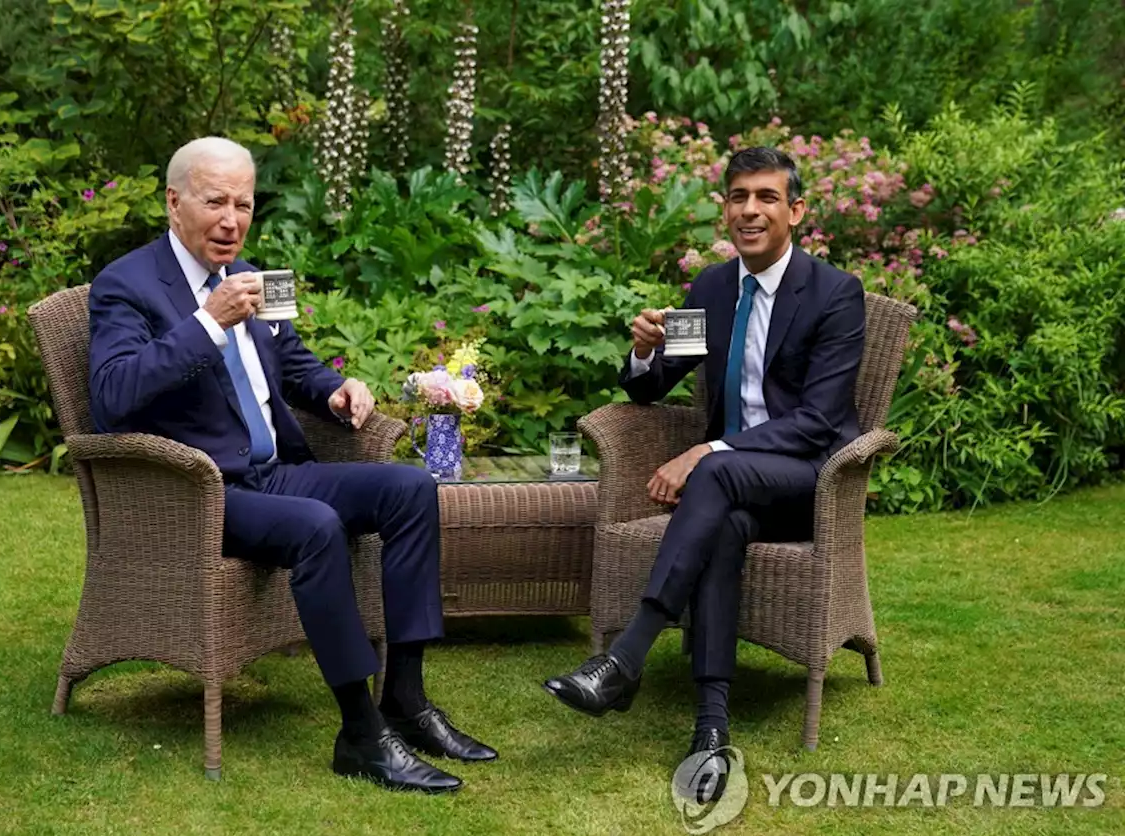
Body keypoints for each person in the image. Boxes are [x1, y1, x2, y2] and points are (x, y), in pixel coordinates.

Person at [87, 136, 495, 794]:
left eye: (243, 204)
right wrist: (207, 321)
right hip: (203, 491)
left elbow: (294, 363)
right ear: (173, 201)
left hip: (276, 470)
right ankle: (361, 733)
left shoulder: (256, 274)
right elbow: (112, 397)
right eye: (214, 201)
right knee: (314, 526)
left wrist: (336, 388)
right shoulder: (125, 285)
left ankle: (406, 699)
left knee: (411, 489)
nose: (231, 219)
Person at [542, 147, 866, 802]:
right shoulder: (714, 289)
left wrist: (709, 448)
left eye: (767, 197)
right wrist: (640, 352)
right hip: (737, 485)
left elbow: (819, 420)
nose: (750, 209)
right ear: (726, 208)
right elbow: (650, 388)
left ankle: (626, 658)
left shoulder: (835, 294)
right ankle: (711, 729)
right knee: (721, 517)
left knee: (713, 473)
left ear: (795, 210)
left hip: (809, 480)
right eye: (739, 196)